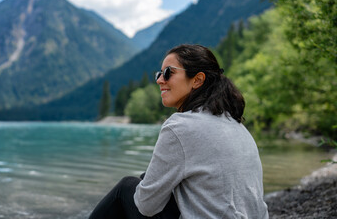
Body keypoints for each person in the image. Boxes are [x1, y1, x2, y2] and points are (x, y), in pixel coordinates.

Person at [88, 44, 269, 219]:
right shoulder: (236, 125)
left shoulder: (180, 126)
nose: (159, 80)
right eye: (159, 74)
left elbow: (145, 205)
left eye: (168, 73)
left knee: (126, 188)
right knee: (157, 182)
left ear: (197, 80)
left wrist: (147, 185)